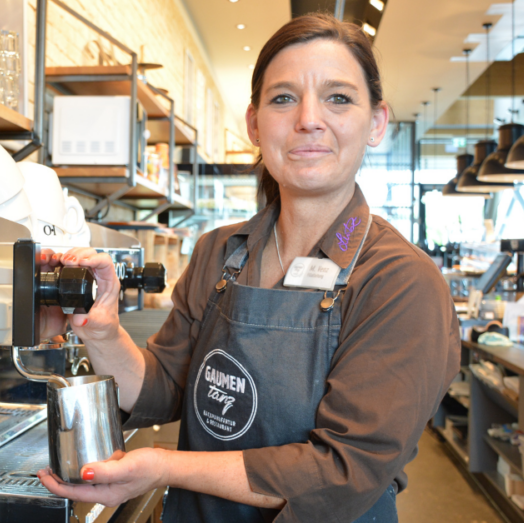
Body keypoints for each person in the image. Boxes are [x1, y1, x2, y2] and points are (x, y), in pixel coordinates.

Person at [36, 13, 460, 523]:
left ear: (375, 123)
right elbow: (165, 387)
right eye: (283, 98)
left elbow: (344, 470)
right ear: (255, 123)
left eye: (338, 98)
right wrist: (102, 333)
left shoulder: (400, 281)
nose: (309, 119)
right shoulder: (219, 252)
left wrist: (168, 466)